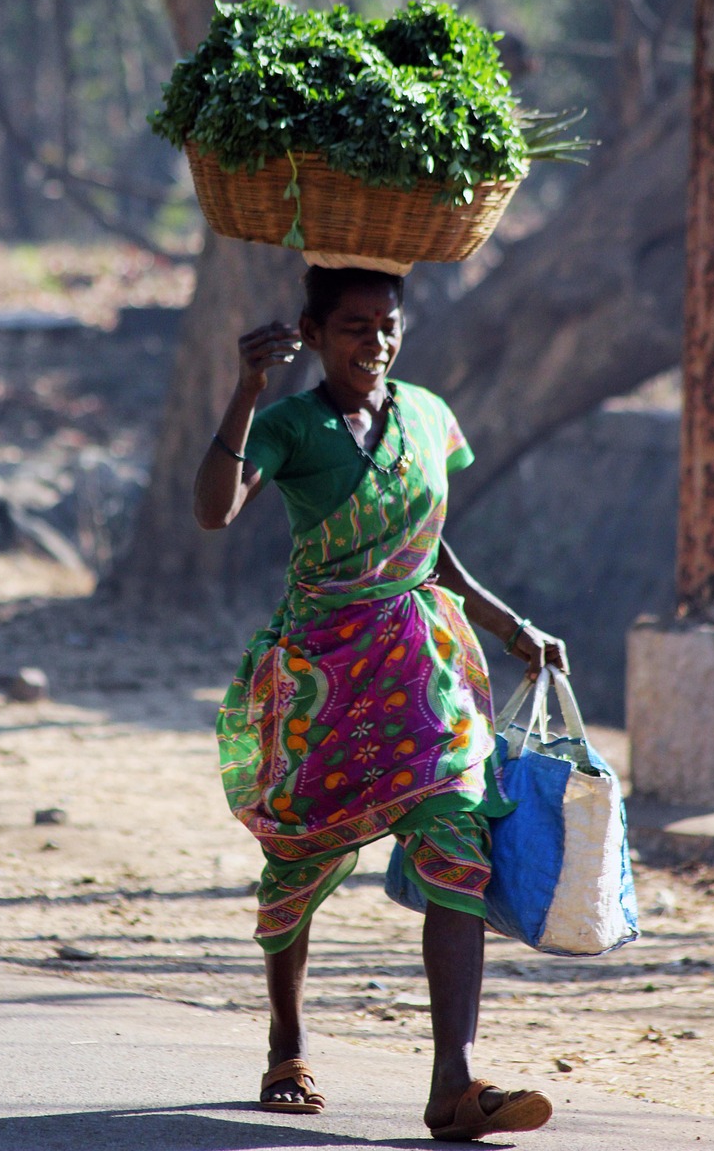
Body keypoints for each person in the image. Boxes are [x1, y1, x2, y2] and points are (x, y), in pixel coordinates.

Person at [193, 265, 568, 1141]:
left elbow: (428, 544)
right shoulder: (288, 424)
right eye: (355, 326)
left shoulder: (430, 416)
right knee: (299, 851)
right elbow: (214, 512)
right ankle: (287, 1042)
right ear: (313, 333)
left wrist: (510, 624)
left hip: (422, 670)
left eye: (388, 325)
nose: (376, 342)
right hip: (321, 676)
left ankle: (454, 1084)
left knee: (456, 835)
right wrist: (247, 389)